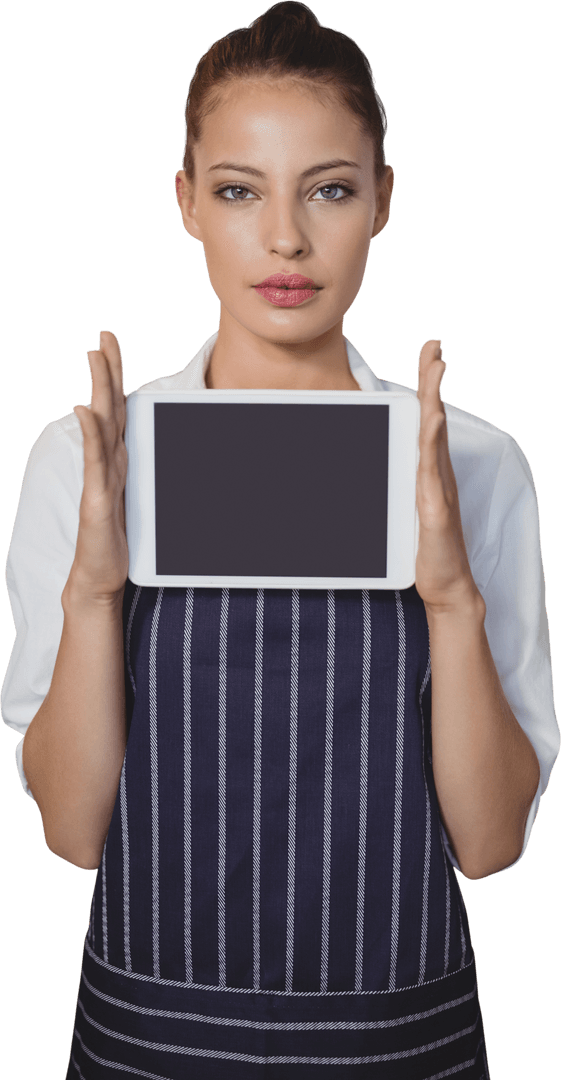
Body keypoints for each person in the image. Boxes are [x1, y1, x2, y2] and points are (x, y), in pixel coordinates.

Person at [1, 2, 558, 1076]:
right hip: (149, 1034)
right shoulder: (83, 460)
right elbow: (74, 834)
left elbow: (490, 848)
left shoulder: (476, 463)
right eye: (240, 191)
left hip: (399, 1039)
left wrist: (451, 601)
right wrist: (91, 594)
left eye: (331, 189)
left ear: (384, 200)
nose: (287, 239)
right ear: (186, 203)